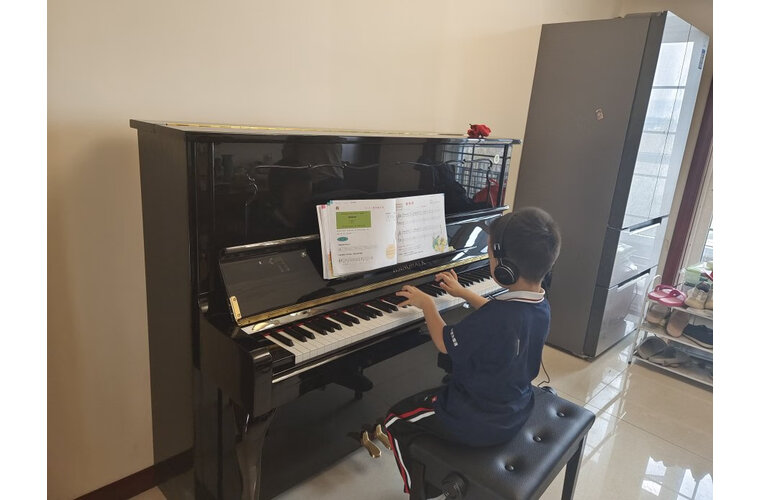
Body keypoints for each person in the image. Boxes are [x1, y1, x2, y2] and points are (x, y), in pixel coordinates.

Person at [381, 206, 561, 496]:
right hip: (514, 409)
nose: (489, 259)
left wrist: (427, 304)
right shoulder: (540, 305)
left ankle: (421, 490)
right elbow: (502, 317)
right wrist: (463, 292)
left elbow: (443, 342)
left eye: (489, 254)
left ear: (505, 267)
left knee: (394, 418)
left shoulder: (494, 318)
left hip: (475, 419)